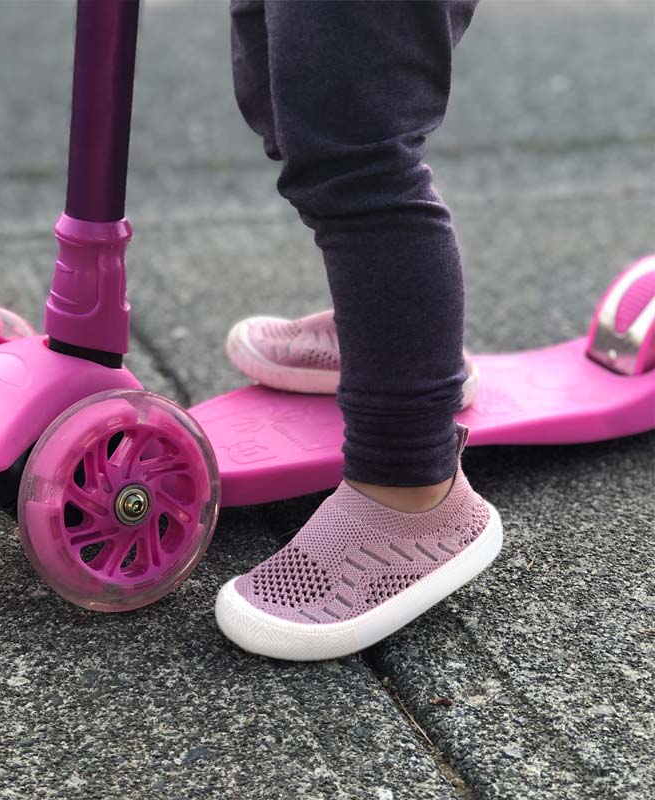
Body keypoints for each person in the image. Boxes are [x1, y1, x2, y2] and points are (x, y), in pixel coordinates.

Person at [213, 0, 503, 661]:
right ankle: (389, 344)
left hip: (409, 489)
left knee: (354, 139)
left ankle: (412, 490)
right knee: (291, 98)